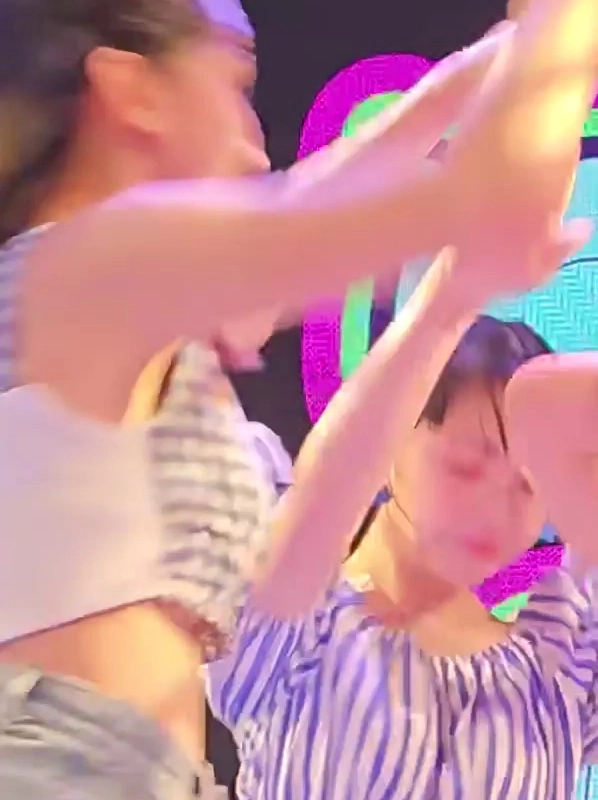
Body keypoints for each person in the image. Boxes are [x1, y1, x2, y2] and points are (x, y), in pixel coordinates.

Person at [0, 0, 593, 796]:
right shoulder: (89, 267)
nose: (256, 144)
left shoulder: (138, 322)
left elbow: (319, 200)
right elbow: (335, 213)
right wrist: (552, 46)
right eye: (235, 82)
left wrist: (486, 76)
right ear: (133, 93)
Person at [205, 309, 598, 800]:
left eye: (528, 484)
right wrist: (450, 299)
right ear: (389, 443)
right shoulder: (290, 630)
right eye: (465, 466)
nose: (496, 507)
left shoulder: (559, 664)